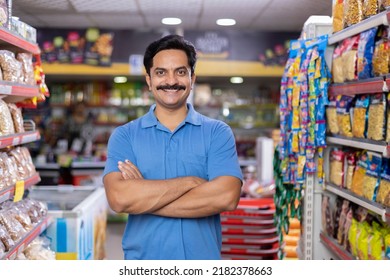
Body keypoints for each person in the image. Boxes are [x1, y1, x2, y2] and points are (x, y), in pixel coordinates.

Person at [103, 34, 243, 260]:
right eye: (161, 72)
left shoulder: (218, 133)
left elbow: (226, 197)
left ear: (192, 78)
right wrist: (190, 183)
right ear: (149, 80)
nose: (171, 81)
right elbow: (119, 198)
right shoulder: (125, 136)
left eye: (180, 72)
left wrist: (143, 197)